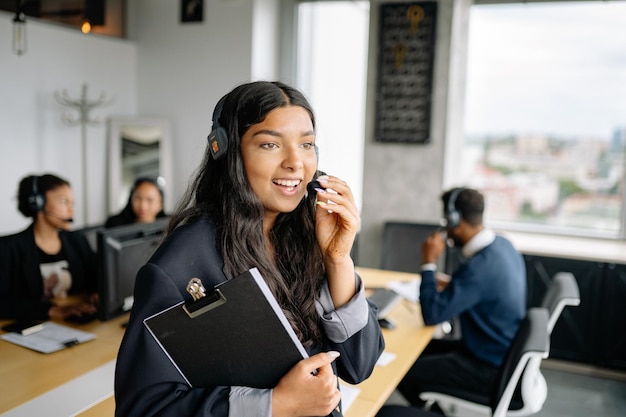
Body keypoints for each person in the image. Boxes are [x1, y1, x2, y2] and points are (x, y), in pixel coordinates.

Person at [114, 81, 385, 417]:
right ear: (227, 153)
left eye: (307, 145)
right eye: (270, 144)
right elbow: (142, 409)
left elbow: (360, 365)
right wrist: (275, 405)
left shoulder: (306, 235)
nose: (295, 163)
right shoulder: (180, 263)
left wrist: (338, 259)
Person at [395, 187, 527, 409]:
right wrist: (455, 285)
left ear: (454, 219)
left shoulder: (478, 269)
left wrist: (428, 262)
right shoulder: (502, 245)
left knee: (403, 371)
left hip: (488, 365)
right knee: (410, 355)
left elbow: (432, 315)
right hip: (499, 351)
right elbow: (484, 287)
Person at [0, 173, 99, 321]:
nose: (72, 211)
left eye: (72, 204)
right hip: (33, 326)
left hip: (73, 323)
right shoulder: (8, 248)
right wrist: (52, 310)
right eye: (64, 202)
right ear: (38, 203)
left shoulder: (77, 241)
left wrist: (96, 293)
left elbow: (97, 276)